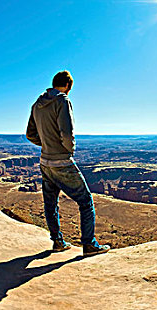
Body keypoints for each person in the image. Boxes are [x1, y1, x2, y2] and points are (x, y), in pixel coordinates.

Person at [26, 70, 110, 256]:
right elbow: (66, 132)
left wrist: (47, 144)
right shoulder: (63, 100)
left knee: (50, 203)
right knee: (86, 202)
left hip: (45, 161)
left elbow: (30, 134)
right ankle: (89, 245)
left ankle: (57, 242)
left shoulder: (37, 105)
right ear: (67, 86)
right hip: (61, 161)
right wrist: (67, 149)